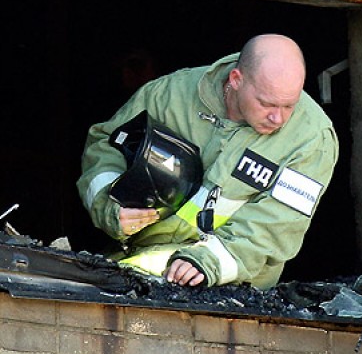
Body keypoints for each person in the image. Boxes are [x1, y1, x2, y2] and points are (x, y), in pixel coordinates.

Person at [77, 34, 339, 289]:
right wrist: (110, 204)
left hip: (231, 283)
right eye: (266, 103)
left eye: (289, 106)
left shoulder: (312, 137)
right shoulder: (170, 95)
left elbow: (279, 223)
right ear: (236, 80)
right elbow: (106, 145)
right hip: (134, 262)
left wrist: (209, 262)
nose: (278, 119)